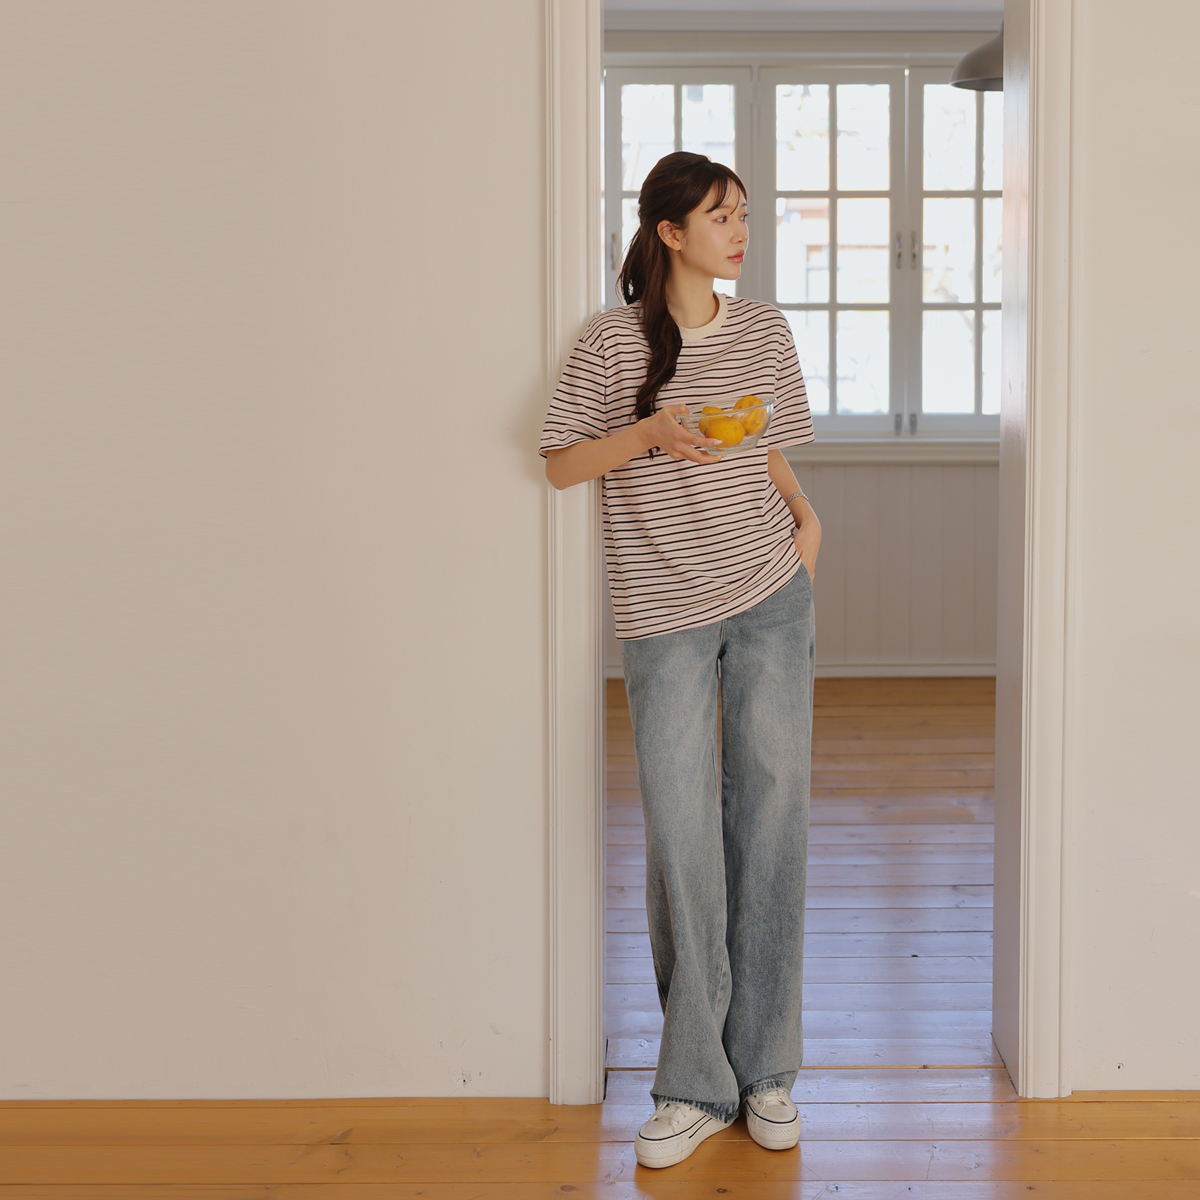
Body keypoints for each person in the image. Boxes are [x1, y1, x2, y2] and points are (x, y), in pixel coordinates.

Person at [540, 152, 819, 1170]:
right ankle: (696, 1082)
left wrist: (806, 519)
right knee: (681, 838)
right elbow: (561, 463)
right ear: (669, 231)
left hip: (772, 596)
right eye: (720, 217)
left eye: (744, 215)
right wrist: (649, 432)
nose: (740, 233)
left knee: (774, 822)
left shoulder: (764, 330)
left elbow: (769, 442)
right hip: (664, 615)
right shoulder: (610, 343)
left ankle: (768, 1070)